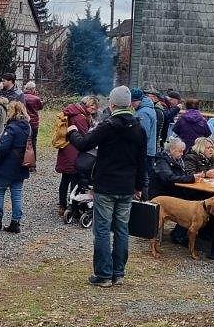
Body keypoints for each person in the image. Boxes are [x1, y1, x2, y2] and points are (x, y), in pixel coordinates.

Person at [67, 85, 145, 287]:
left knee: (101, 229)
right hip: (127, 186)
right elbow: (142, 161)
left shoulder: (108, 125)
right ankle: (118, 272)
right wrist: (139, 186)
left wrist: (72, 132)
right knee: (121, 229)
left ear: (111, 104)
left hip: (106, 185)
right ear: (129, 104)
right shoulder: (138, 127)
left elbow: (84, 144)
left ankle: (103, 274)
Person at [0, 101, 32, 234]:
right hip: (22, 165)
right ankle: (15, 222)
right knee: (17, 194)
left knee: (0, 192)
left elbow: (4, 147)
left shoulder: (11, 128)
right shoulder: (27, 127)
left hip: (7, 165)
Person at [56, 96, 98, 215]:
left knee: (65, 179)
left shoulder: (72, 112)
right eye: (93, 108)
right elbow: (85, 136)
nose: (94, 111)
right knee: (75, 179)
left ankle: (62, 204)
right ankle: (72, 206)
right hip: (74, 151)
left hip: (66, 149)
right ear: (87, 105)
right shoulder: (80, 118)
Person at [130, 87, 157, 198]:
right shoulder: (149, 109)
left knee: (143, 179)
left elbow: (142, 135)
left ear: (138, 100)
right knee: (146, 178)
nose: (132, 105)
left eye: (133, 102)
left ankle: (144, 202)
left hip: (145, 151)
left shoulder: (143, 113)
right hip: (150, 150)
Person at [23, 81, 44, 154]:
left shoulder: (21, 96)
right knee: (33, 140)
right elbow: (40, 107)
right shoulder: (36, 99)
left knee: (23, 140)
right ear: (33, 89)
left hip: (24, 121)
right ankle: (33, 158)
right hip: (34, 123)